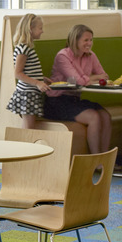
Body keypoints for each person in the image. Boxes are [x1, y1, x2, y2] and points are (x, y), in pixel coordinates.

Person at [49, 24, 113, 153]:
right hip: (57, 101)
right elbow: (78, 81)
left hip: (74, 100)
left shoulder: (90, 55)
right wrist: (94, 77)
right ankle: (95, 161)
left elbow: (104, 77)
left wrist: (91, 78)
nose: (89, 43)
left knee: (105, 116)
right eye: (86, 40)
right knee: (94, 117)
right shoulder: (63, 56)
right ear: (75, 40)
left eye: (91, 40)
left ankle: (105, 158)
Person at [5, 13, 49, 129]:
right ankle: (26, 146)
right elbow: (18, 73)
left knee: (30, 126)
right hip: (27, 94)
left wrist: (42, 78)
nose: (42, 31)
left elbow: (28, 71)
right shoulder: (23, 48)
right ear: (30, 29)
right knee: (28, 128)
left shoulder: (26, 48)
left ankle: (27, 145)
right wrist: (37, 83)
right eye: (40, 28)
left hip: (30, 93)